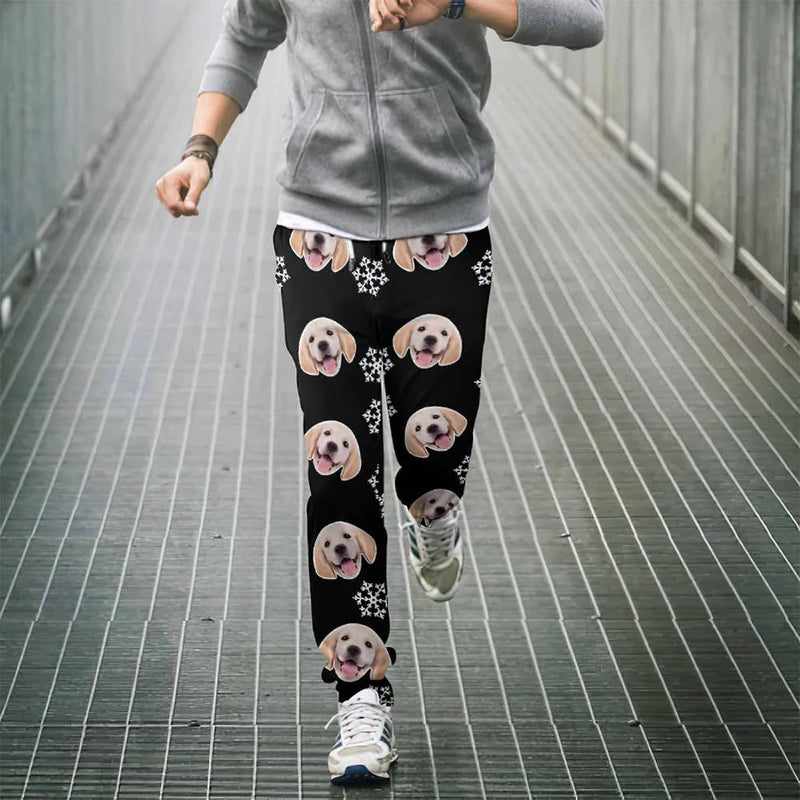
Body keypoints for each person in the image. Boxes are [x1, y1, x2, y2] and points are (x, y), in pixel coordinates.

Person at [156, 0, 605, 785]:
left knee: (434, 448)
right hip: (317, 234)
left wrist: (452, 4)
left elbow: (583, 19)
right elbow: (245, 35)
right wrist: (201, 149)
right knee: (339, 471)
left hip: (446, 233)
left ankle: (435, 508)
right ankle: (361, 696)